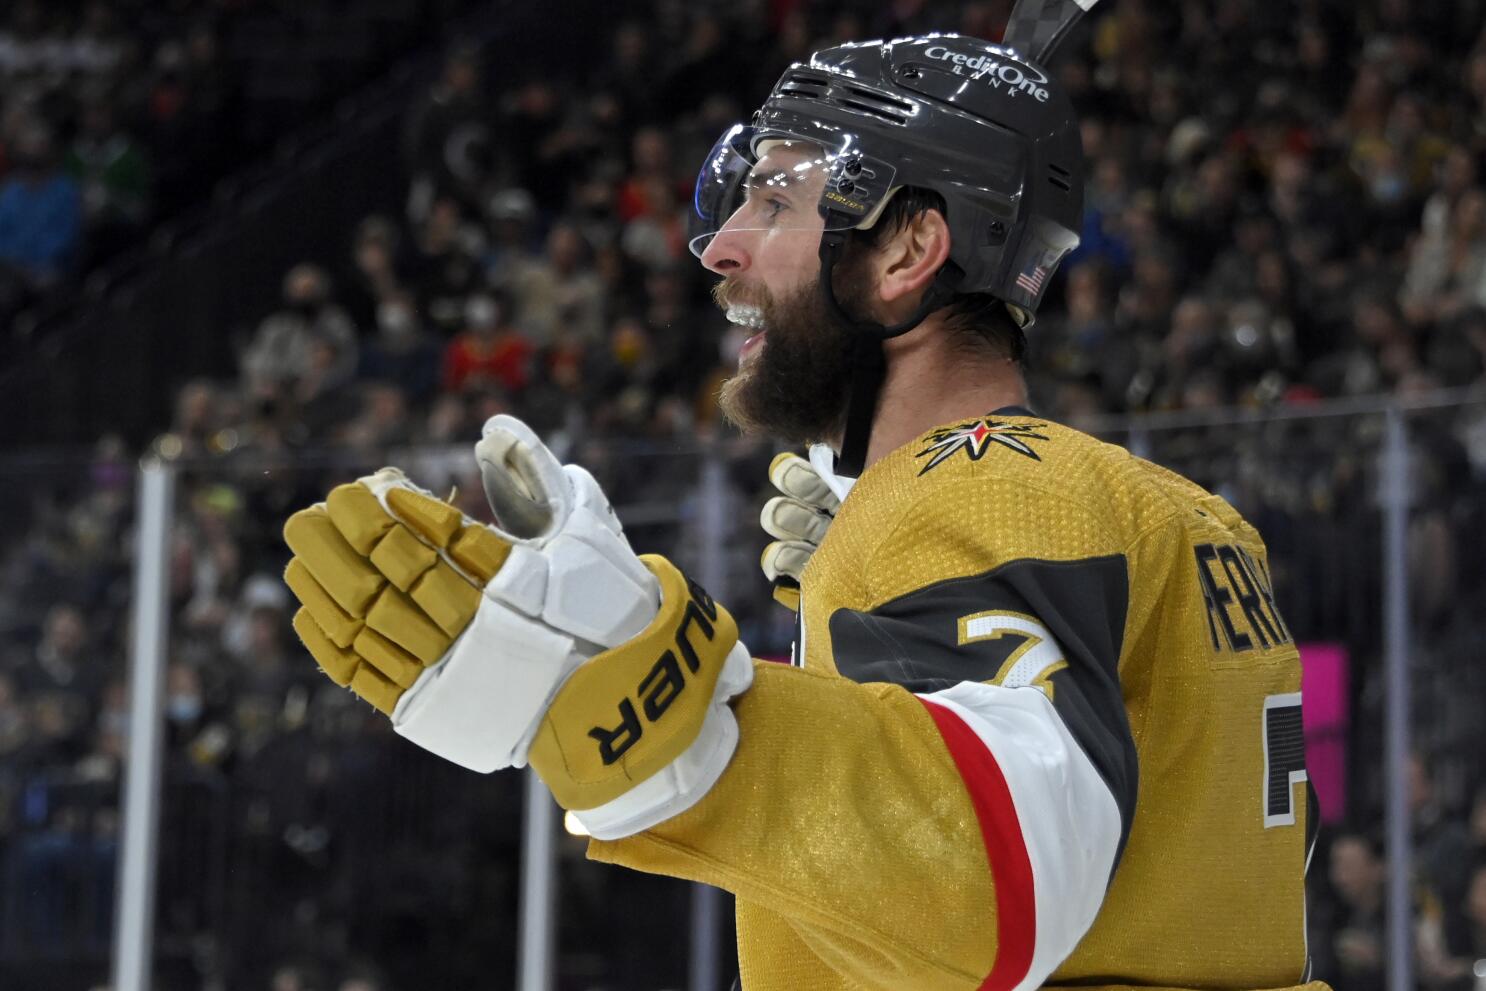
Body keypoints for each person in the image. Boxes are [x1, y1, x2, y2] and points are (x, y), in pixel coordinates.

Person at [281, 24, 1323, 991]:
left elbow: (1010, 881)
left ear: (909, 252)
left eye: (775, 201)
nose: (719, 246)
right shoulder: (1181, 512)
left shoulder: (971, 488)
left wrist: (665, 706)